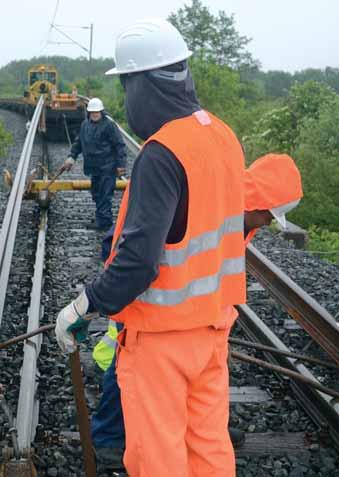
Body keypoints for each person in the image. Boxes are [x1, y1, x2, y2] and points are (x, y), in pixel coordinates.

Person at [55, 18, 247, 476]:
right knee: (208, 449)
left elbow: (139, 262)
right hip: (213, 329)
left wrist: (84, 306)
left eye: (126, 86)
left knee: (156, 457)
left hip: (163, 341)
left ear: (144, 84)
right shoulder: (222, 136)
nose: (126, 100)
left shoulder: (162, 154)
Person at [90, 153, 303, 469]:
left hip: (190, 306)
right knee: (125, 358)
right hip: (146, 293)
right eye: (270, 215)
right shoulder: (212, 197)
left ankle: (200, 429)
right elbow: (133, 245)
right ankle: (107, 438)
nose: (270, 222)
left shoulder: (244, 219)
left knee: (189, 376)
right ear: (258, 204)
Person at [62, 97, 127, 231]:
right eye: (92, 112)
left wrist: (121, 165)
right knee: (96, 193)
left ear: (101, 112)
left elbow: (119, 145)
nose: (95, 114)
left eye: (97, 112)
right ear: (89, 113)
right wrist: (71, 157)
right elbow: (78, 143)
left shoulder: (109, 125)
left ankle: (104, 222)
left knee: (105, 194)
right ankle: (101, 217)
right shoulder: (85, 125)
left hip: (107, 166)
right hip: (93, 167)